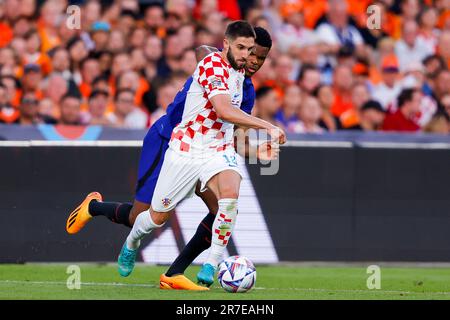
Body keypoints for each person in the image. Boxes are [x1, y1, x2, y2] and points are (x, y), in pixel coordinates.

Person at [66, 26, 283, 290]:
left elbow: (235, 136)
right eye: (251, 53)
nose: (255, 62)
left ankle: (178, 272)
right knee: (143, 217)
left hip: (211, 152)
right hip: (168, 140)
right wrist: (219, 53)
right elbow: (204, 53)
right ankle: (94, 207)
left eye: (261, 58)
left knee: (224, 207)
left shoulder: (245, 89)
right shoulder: (214, 63)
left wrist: (256, 151)